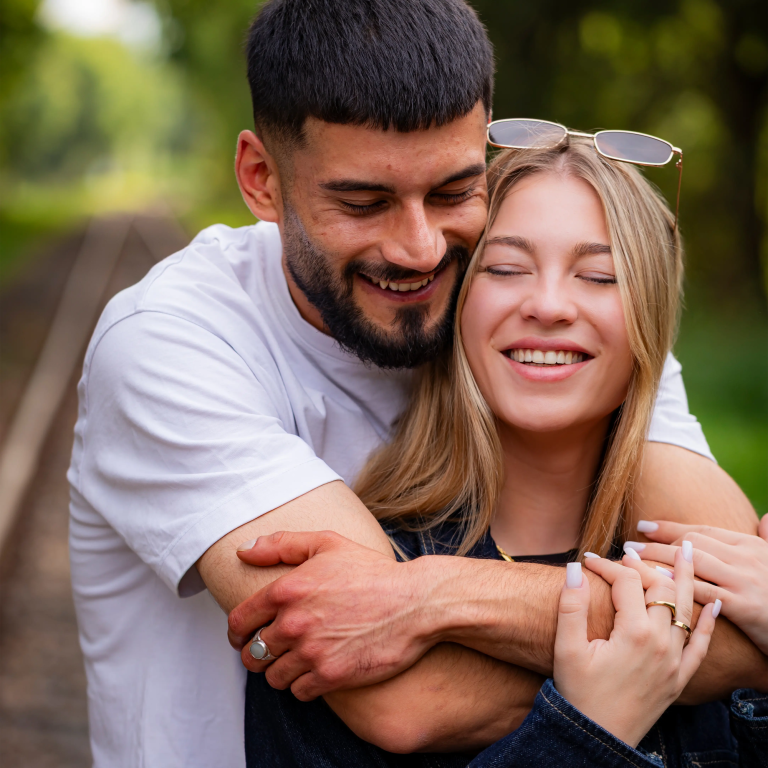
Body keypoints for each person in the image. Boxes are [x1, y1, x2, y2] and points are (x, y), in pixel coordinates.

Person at [68, 1, 759, 765]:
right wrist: (669, 678)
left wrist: (427, 596)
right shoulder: (173, 342)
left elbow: (741, 607)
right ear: (262, 180)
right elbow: (405, 698)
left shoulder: (522, 320)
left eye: (454, 192)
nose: (420, 249)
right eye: (363, 203)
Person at [237, 139, 765, 766]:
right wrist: (589, 728)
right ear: (456, 304)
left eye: (598, 277)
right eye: (508, 269)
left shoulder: (722, 579)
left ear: (649, 320)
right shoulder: (355, 597)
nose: (546, 306)